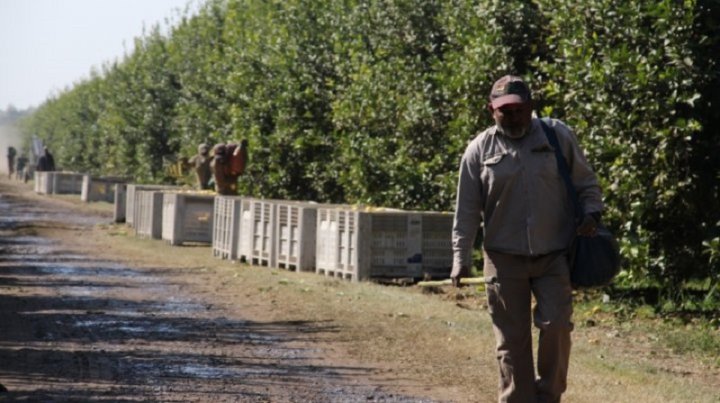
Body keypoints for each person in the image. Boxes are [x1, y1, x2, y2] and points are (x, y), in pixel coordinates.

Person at [450, 75, 604, 402]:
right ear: (491, 111)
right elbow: (465, 211)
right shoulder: (478, 150)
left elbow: (586, 183)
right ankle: (517, 398)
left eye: (519, 110)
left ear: (530, 107)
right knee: (511, 341)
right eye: (504, 111)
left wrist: (592, 214)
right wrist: (460, 259)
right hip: (503, 259)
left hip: (554, 253)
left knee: (558, 326)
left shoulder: (557, 136)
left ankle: (548, 396)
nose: (513, 117)